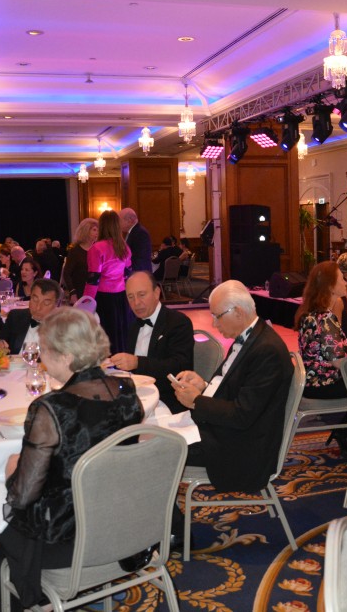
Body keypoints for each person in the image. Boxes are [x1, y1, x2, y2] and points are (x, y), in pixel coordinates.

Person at [0, 308, 144, 608]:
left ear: (65, 357)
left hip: (68, 539)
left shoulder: (51, 408)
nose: (40, 357)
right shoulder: (125, 391)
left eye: (44, 350)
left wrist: (12, 472)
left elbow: (23, 496)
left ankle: (27, 594)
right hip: (121, 520)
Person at [171, 280, 292, 492]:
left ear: (238, 312)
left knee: (159, 447)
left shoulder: (267, 351)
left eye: (217, 316)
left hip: (241, 448)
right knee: (158, 432)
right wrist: (203, 386)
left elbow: (242, 415)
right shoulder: (251, 337)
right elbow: (236, 390)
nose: (214, 324)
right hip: (227, 430)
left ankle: (164, 510)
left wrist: (197, 401)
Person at [108, 271, 194, 413]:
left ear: (156, 293)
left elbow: (179, 366)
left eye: (142, 295)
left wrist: (137, 362)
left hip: (166, 401)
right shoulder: (134, 325)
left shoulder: (178, 322)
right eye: (130, 297)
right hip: (137, 397)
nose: (136, 303)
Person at [295, 261, 347, 400]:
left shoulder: (309, 314)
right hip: (324, 385)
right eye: (342, 278)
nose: (346, 282)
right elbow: (338, 362)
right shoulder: (326, 318)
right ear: (331, 286)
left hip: (309, 383)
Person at [85, 210, 133, 354]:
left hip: (103, 298)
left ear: (102, 226)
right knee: (120, 333)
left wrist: (87, 302)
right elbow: (128, 273)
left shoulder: (96, 248)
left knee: (104, 336)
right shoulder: (124, 247)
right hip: (121, 296)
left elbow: (93, 279)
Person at [0, 279, 61, 354]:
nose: (38, 307)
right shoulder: (16, 317)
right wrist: (0, 345)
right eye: (35, 299)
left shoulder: (63, 327)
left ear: (56, 305)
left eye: (46, 303)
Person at [63, 217, 98, 300]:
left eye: (98, 230)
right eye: (94, 230)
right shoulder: (75, 251)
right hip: (80, 292)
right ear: (86, 231)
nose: (97, 233)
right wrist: (72, 292)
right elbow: (67, 273)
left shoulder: (97, 250)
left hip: (96, 292)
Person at [119, 207, 153, 273]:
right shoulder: (134, 232)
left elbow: (139, 260)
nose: (118, 224)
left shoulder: (140, 233)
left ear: (129, 220)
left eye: (120, 221)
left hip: (139, 274)